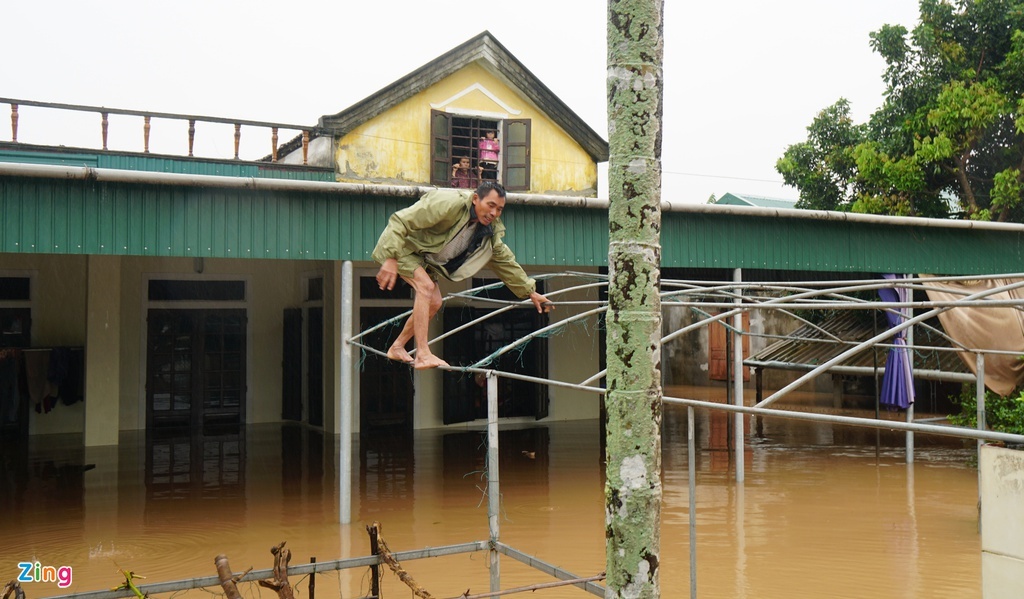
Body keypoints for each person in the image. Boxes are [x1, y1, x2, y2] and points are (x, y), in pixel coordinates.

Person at [372, 181, 554, 369]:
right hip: (403, 248)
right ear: (476, 199)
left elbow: (504, 261)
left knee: (434, 302)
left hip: (424, 259)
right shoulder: (448, 203)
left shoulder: (488, 231)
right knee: (425, 287)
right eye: (490, 205)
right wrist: (391, 257)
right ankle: (423, 354)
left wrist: (530, 291)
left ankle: (398, 346)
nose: (494, 213)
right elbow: (400, 220)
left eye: (499, 209)